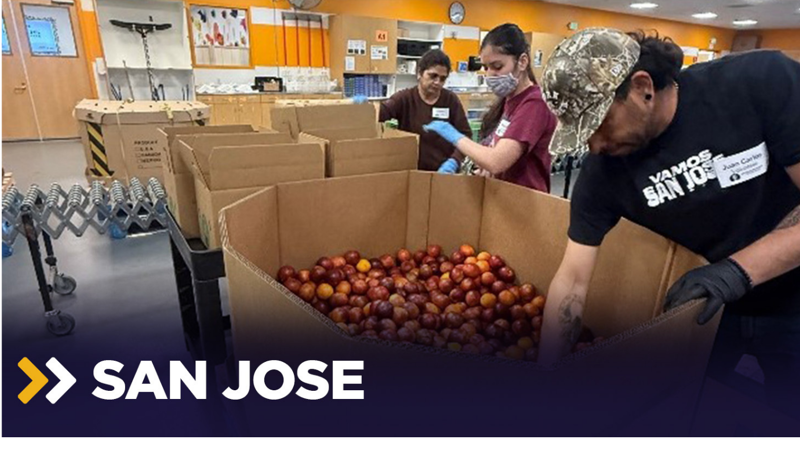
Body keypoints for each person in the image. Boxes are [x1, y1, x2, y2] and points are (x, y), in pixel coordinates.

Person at [538, 28, 800, 420]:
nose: (594, 145)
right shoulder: (603, 173)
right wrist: (547, 377)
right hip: (708, 314)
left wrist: (736, 271)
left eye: (600, 124)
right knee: (681, 410)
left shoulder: (758, 83)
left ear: (642, 87)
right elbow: (572, 280)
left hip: (793, 301)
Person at [422, 23, 556, 192]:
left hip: (525, 202)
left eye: (497, 66)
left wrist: (454, 136)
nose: (490, 74)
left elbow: (496, 161)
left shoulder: (535, 104)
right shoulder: (510, 100)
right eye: (486, 67)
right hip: (504, 197)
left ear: (522, 62)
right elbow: (500, 150)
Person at [373, 49, 471, 172]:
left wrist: (454, 161)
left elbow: (466, 135)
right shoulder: (404, 98)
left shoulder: (451, 100)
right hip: (413, 171)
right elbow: (380, 113)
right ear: (419, 73)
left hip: (443, 173)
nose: (437, 82)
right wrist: (361, 109)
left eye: (442, 79)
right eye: (433, 76)